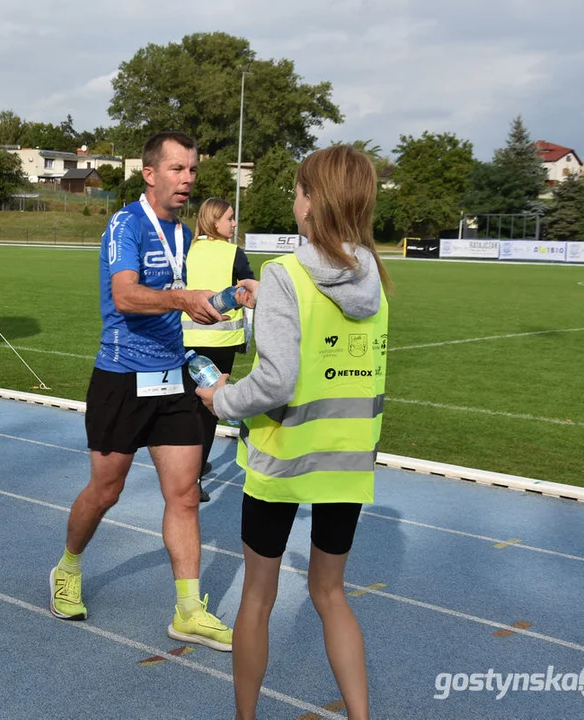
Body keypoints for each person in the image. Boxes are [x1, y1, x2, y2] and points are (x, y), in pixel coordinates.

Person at [196, 145, 392, 719]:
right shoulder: (375, 277)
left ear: (312, 203)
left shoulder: (286, 273)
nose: (294, 199)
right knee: (332, 594)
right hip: (349, 459)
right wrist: (270, 307)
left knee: (257, 596)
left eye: (299, 190)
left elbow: (277, 381)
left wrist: (220, 399)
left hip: (282, 458)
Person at [48, 131, 234, 652]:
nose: (188, 179)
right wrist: (182, 299)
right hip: (121, 377)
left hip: (171, 376)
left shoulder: (181, 234)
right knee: (107, 490)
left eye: (193, 170)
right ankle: (68, 566)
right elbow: (126, 295)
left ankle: (190, 610)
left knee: (185, 494)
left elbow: (180, 297)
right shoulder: (125, 224)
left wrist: (228, 296)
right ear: (150, 174)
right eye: (178, 169)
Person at [182, 197, 256, 502]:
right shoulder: (232, 253)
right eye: (229, 218)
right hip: (221, 344)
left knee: (187, 410)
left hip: (185, 341)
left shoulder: (186, 250)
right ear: (214, 221)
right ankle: (193, 477)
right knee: (209, 413)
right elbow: (251, 286)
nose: (234, 223)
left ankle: (189, 468)